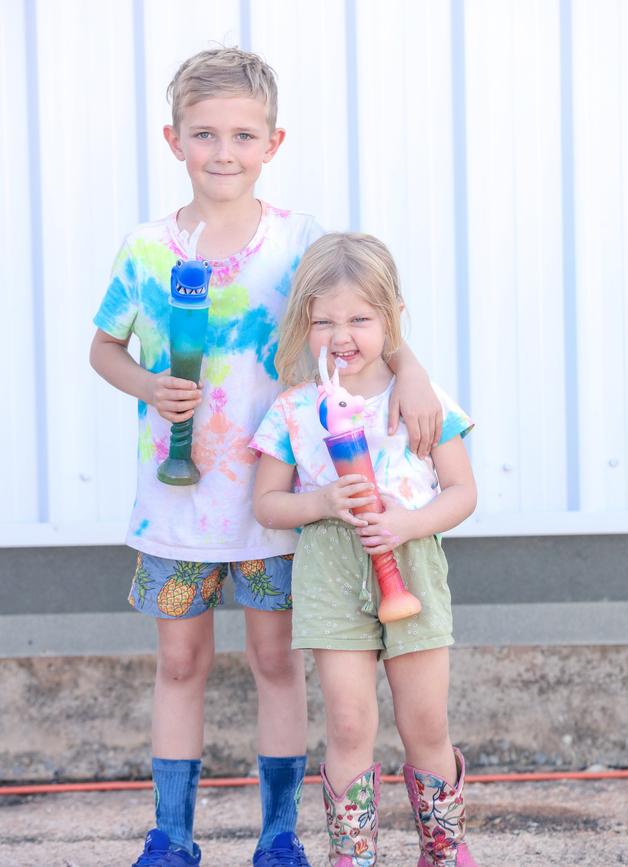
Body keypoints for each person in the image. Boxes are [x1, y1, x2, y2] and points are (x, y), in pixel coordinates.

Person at [89, 48, 443, 867]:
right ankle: (172, 834)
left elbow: (368, 320)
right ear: (173, 138)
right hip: (177, 501)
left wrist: (415, 371)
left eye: (243, 135)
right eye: (204, 133)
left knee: (276, 659)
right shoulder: (147, 249)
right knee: (180, 661)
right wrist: (145, 379)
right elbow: (103, 349)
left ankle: (279, 831)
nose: (223, 151)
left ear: (273, 143)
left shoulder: (300, 242)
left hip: (275, 500)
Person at [251, 232, 479, 866]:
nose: (341, 335)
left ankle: (444, 847)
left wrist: (409, 524)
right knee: (350, 724)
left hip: (412, 564)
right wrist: (321, 502)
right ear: (304, 324)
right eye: (323, 320)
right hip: (329, 568)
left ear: (392, 318)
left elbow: (462, 492)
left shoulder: (422, 403)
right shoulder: (295, 408)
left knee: (425, 723)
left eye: (359, 318)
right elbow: (267, 504)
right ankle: (352, 854)